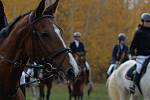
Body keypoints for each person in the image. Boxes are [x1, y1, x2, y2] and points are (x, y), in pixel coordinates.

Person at [129, 13, 150, 94]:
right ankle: (133, 85)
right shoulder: (138, 32)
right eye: (146, 21)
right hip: (141, 56)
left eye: (149, 21)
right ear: (142, 22)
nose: (148, 23)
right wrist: (133, 55)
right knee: (138, 68)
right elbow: (132, 46)